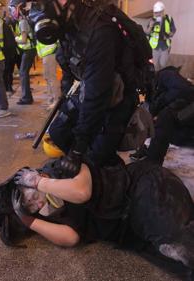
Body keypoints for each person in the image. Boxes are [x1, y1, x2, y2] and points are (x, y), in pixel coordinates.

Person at [11, 158, 194, 270]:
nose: (38, 203)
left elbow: (82, 192)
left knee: (178, 240)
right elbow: (70, 238)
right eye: (32, 206)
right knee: (176, 255)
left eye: (34, 197)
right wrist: (27, 219)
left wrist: (38, 183)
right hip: (129, 223)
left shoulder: (63, 167)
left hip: (143, 187)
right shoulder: (51, 210)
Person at [28, 0, 143, 176]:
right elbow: (68, 67)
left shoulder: (98, 29)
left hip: (118, 97)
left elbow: (98, 96)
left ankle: (109, 175)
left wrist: (78, 149)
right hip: (93, 88)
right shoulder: (68, 25)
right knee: (58, 131)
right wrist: (66, 100)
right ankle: (87, 167)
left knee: (94, 158)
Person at [130, 66, 194, 164]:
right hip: (185, 118)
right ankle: (148, 152)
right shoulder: (148, 94)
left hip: (189, 107)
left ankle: (152, 161)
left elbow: (184, 90)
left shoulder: (165, 75)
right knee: (167, 132)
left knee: (165, 116)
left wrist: (160, 102)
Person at [9, 0, 36, 105]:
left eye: (12, 9)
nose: (11, 12)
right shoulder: (23, 20)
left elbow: (24, 40)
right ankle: (27, 97)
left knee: (23, 73)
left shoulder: (22, 21)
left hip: (29, 50)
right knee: (23, 73)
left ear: (17, 8)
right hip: (28, 50)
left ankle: (27, 98)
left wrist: (15, 38)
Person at [146, 1, 176, 71]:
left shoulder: (169, 19)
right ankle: (154, 80)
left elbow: (173, 30)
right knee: (154, 66)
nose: (157, 14)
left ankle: (161, 79)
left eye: (159, 12)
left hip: (165, 46)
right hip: (154, 47)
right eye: (155, 13)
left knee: (163, 65)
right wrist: (150, 26)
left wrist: (168, 35)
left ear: (163, 11)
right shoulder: (152, 20)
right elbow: (147, 33)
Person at [36, 40, 60, 108]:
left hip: (50, 53)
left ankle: (56, 100)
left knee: (52, 78)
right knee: (47, 78)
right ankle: (51, 99)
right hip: (46, 54)